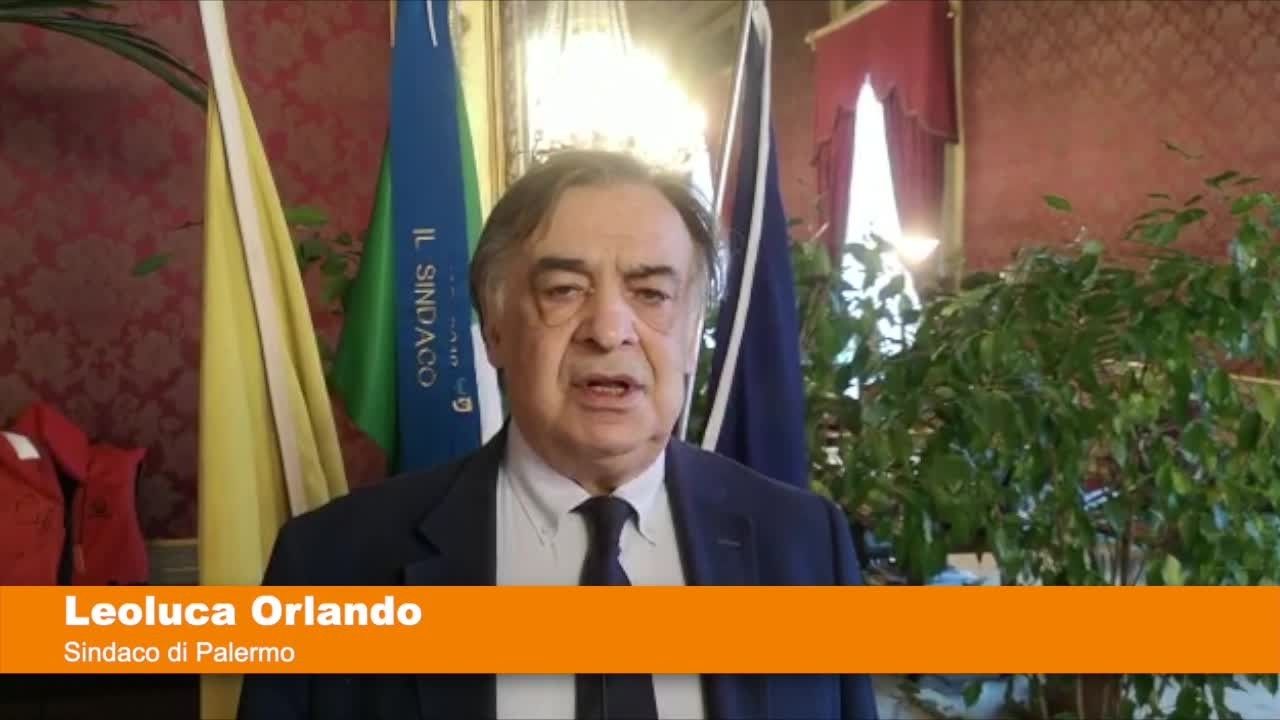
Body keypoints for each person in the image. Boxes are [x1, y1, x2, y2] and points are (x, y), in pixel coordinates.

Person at [237, 150, 879, 720]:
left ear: (691, 336)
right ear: (495, 328)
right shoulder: (330, 567)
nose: (609, 329)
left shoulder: (805, 548)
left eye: (651, 293)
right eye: (564, 290)